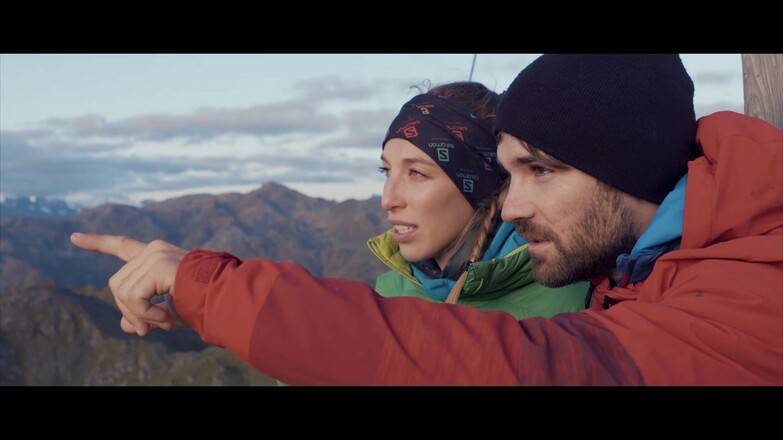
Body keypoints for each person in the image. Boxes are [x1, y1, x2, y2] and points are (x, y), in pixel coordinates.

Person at [71, 54, 783, 385]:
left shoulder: (751, 287)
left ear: (623, 165)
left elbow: (532, 366)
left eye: (539, 170)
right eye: (507, 174)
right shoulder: (633, 276)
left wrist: (209, 289)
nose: (513, 205)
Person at [370, 81, 586, 317]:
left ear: (481, 185)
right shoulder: (386, 296)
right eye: (386, 171)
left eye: (417, 173)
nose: (388, 199)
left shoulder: (571, 312)